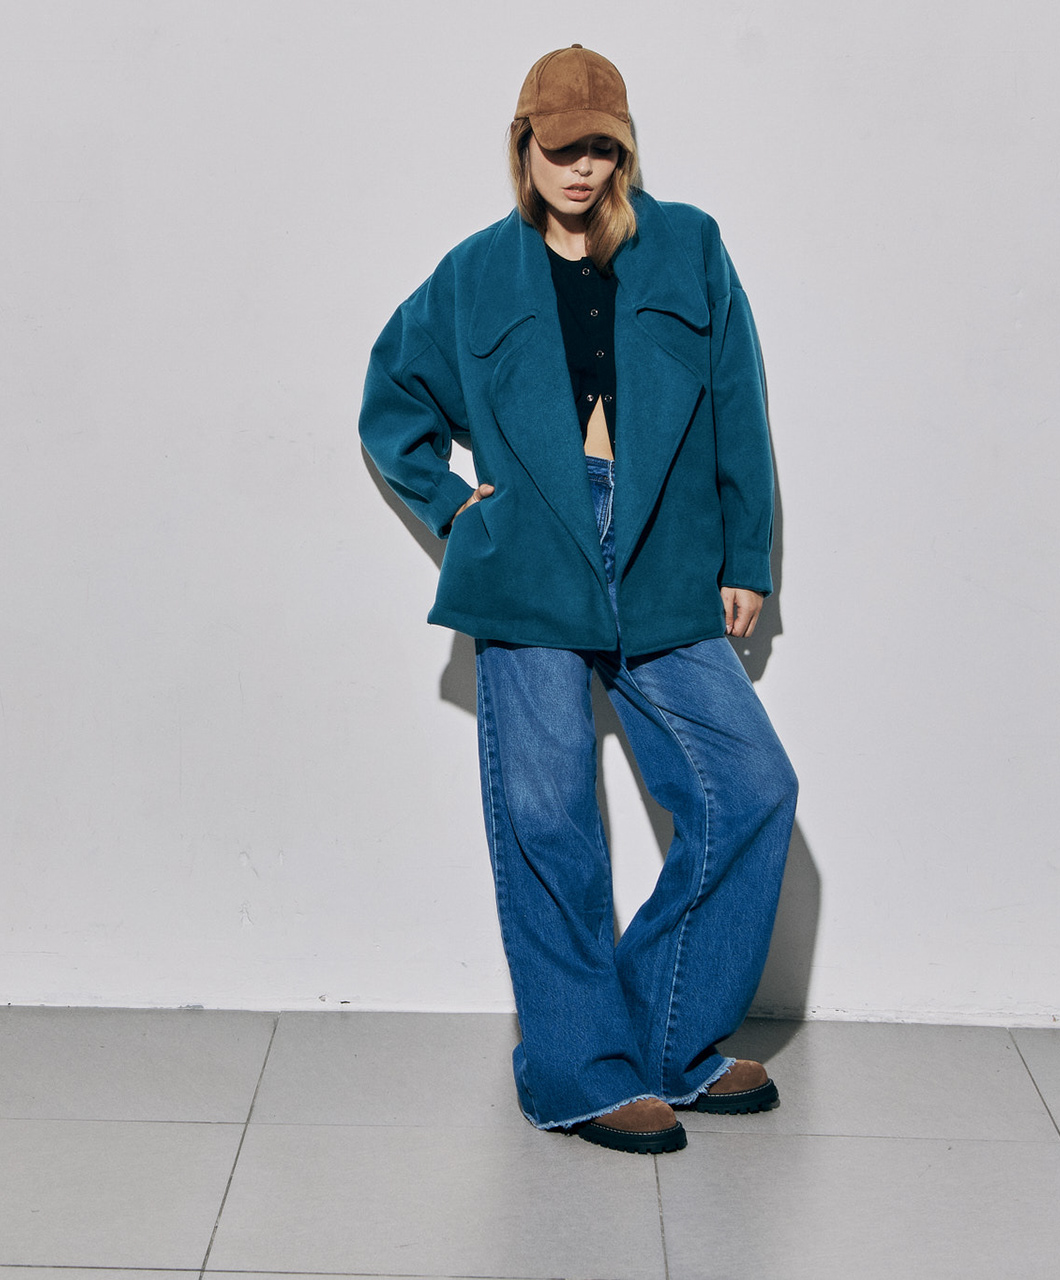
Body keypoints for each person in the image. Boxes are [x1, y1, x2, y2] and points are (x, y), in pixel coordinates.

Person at [358, 45, 798, 1155]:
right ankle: (577, 1071)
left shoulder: (689, 245)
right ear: (524, 147)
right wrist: (457, 511)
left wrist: (745, 554)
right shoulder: (474, 273)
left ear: (625, 147)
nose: (582, 168)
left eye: (601, 147)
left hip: (663, 554)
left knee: (752, 786)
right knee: (548, 817)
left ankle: (661, 1039)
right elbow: (391, 399)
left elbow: (738, 402)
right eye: (561, 149)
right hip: (531, 558)